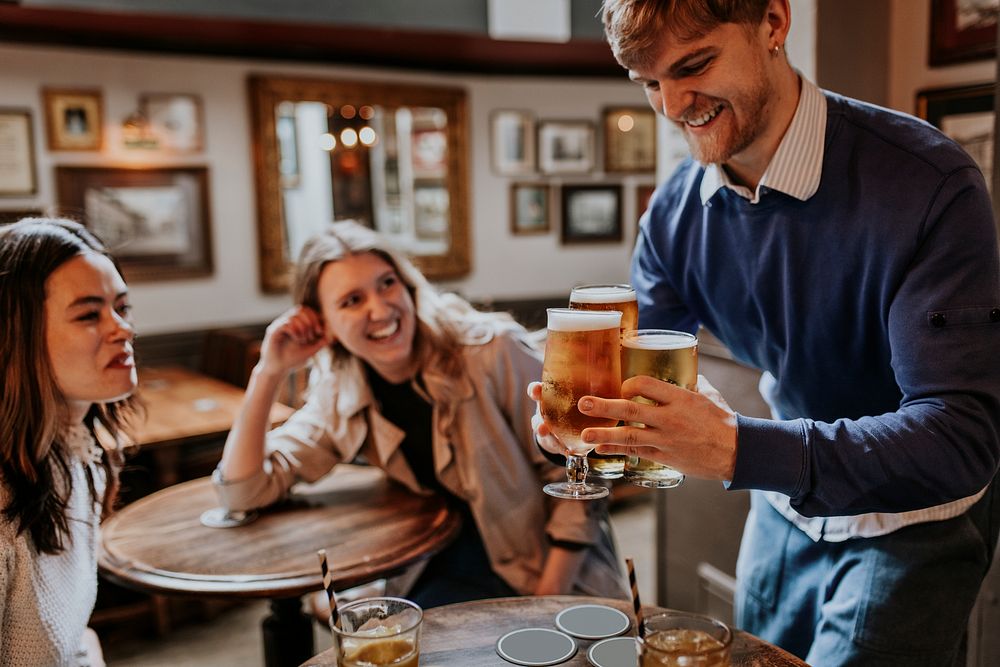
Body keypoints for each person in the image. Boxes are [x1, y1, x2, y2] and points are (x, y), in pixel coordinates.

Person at [533, 1, 1000, 664]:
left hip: (914, 520)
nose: (670, 105)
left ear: (774, 23)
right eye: (648, 82)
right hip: (784, 507)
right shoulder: (673, 213)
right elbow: (636, 383)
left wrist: (735, 450)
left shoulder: (929, 185)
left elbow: (961, 438)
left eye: (693, 65)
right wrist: (584, 423)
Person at [215, 220, 628, 608]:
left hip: (543, 565)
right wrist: (268, 372)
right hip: (435, 564)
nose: (380, 309)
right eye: (352, 301)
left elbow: (580, 474)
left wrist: (545, 597)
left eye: (387, 284)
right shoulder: (340, 393)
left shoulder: (488, 352)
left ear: (408, 287)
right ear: (325, 325)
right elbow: (242, 491)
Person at [0, 218, 138, 666]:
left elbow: (74, 636)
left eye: (122, 307)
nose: (123, 329)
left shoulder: (79, 454)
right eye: (89, 314)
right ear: (16, 336)